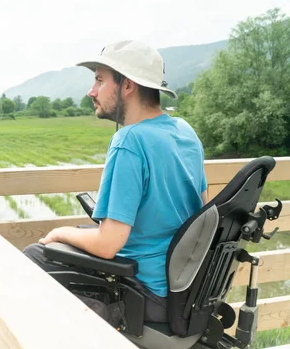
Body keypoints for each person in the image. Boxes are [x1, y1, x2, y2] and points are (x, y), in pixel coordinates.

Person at [23, 40, 208, 324]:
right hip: (183, 291)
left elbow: (109, 245)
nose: (91, 91)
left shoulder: (129, 142)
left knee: (36, 256)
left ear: (127, 86)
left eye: (99, 80)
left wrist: (61, 231)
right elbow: (203, 209)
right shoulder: (185, 131)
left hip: (144, 294)